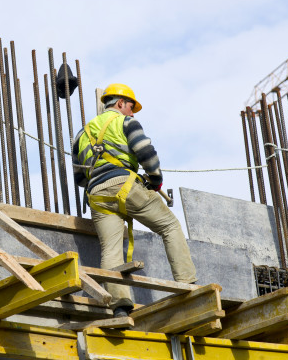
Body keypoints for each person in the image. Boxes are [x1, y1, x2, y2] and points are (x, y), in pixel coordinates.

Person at [72, 83, 197, 317]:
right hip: (126, 186)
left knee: (110, 250)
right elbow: (146, 153)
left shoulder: (81, 134)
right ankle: (188, 285)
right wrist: (156, 180)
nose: (132, 112)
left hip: (97, 195)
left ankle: (119, 306)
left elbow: (79, 177)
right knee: (170, 226)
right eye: (131, 107)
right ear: (120, 103)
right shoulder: (126, 122)